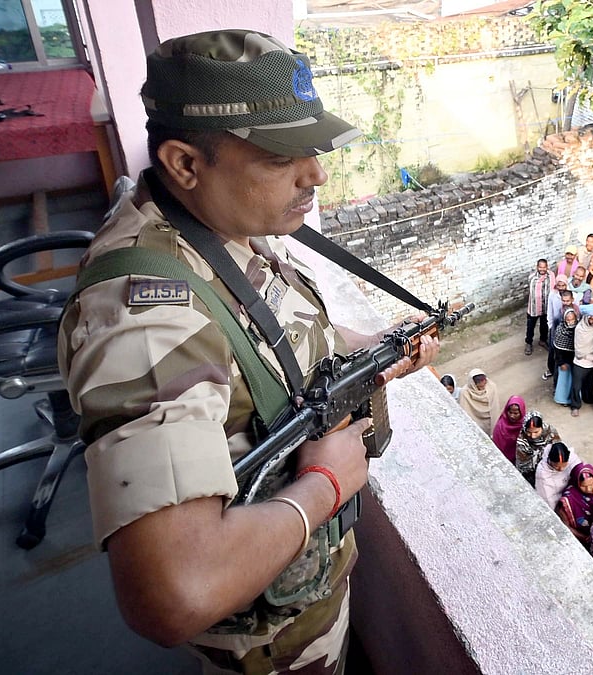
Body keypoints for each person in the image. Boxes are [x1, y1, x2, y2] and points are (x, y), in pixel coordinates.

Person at [57, 29, 440, 673]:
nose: (315, 173)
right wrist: (323, 486)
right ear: (185, 163)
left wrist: (371, 350)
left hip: (304, 604)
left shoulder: (213, 221)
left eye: (312, 148)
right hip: (272, 650)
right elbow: (172, 594)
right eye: (277, 156)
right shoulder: (147, 319)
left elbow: (259, 340)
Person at [556, 463, 593, 545]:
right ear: (577, 483)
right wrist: (585, 538)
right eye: (583, 486)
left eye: (591, 484)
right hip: (588, 538)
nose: (589, 489)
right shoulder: (569, 500)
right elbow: (566, 526)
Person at [570, 305, 593, 417]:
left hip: (592, 363)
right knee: (576, 385)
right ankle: (575, 406)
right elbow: (579, 350)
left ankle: (588, 398)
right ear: (586, 317)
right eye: (591, 318)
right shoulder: (580, 329)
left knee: (590, 383)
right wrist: (590, 357)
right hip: (580, 362)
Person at [514, 413, 560, 485]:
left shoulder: (550, 432)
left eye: (536, 432)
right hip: (532, 473)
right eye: (529, 432)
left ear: (542, 427)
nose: (533, 436)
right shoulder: (522, 442)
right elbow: (523, 467)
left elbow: (558, 447)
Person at [534, 442, 581, 507]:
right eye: (556, 466)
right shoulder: (542, 474)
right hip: (558, 502)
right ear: (550, 460)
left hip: (572, 492)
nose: (561, 469)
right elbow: (548, 499)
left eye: (564, 465)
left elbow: (580, 474)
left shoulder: (572, 458)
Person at [460, 368, 500, 433]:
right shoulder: (465, 393)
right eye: (480, 387)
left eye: (484, 383)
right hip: (477, 421)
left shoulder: (491, 387)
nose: (483, 387)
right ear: (473, 384)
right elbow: (466, 412)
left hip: (491, 419)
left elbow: (495, 407)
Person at [552, 308, 579, 404]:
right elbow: (557, 349)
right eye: (568, 320)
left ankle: (574, 399)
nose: (571, 322)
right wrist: (561, 363)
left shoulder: (578, 329)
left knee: (574, 381)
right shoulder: (560, 330)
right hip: (564, 361)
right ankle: (562, 399)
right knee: (564, 381)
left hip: (575, 360)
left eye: (572, 319)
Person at [525, 258, 551, 355]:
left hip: (546, 307)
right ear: (537, 267)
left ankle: (543, 340)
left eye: (544, 267)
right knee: (530, 327)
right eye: (540, 267)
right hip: (534, 307)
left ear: (547, 267)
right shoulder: (532, 277)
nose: (542, 269)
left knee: (544, 325)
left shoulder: (550, 276)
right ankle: (528, 343)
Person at [490, 395, 526, 465]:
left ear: (521, 412)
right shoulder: (501, 425)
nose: (512, 416)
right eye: (510, 412)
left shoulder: (524, 427)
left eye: (516, 413)